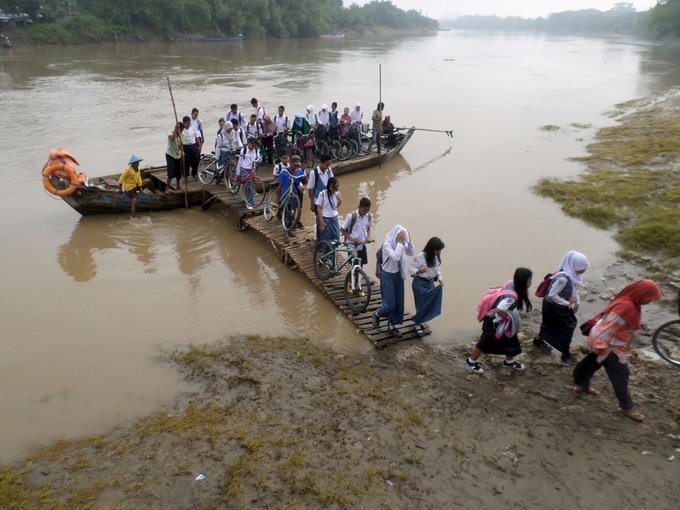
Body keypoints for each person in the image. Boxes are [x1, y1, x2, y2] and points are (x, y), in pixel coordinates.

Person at [573, 279, 661, 421]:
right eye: (650, 299)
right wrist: (600, 346)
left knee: (595, 363)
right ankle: (627, 407)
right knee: (621, 373)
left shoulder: (627, 300)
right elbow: (609, 326)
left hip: (602, 339)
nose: (650, 302)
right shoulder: (627, 306)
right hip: (607, 344)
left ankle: (582, 385)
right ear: (643, 294)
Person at [465, 268, 534, 374]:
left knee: (511, 339)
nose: (531, 283)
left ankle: (509, 361)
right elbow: (499, 310)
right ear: (522, 282)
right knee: (485, 340)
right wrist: (507, 317)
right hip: (493, 321)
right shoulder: (511, 297)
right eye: (529, 281)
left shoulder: (511, 282)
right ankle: (470, 361)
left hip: (501, 322)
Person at [534, 250, 590, 364]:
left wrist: (577, 302)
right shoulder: (563, 278)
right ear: (574, 265)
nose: (584, 269)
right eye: (582, 266)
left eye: (585, 266)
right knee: (568, 327)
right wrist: (567, 303)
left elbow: (575, 289)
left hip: (559, 304)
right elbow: (551, 295)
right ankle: (565, 355)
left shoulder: (573, 275)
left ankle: (538, 340)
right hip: (553, 305)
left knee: (549, 324)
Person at [372, 225, 416, 338]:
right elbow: (396, 257)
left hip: (398, 275)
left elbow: (411, 252)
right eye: (401, 237)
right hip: (387, 276)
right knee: (389, 305)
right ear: (396, 235)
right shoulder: (387, 244)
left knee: (399, 304)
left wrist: (409, 240)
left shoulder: (401, 243)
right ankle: (377, 314)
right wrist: (400, 243)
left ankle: (392, 326)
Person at [408, 237, 445, 337]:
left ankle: (419, 320)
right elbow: (411, 269)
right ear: (432, 248)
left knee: (429, 304)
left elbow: (437, 270)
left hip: (430, 283)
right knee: (421, 306)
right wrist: (419, 271)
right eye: (438, 249)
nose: (439, 252)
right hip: (419, 284)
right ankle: (417, 324)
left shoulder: (436, 257)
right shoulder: (421, 256)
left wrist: (440, 278)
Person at [276, 154, 307, 241]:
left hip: (294, 196)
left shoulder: (300, 171)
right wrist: (278, 198)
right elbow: (280, 185)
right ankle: (285, 233)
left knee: (292, 214)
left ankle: (289, 230)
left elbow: (304, 181)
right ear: (291, 163)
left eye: (298, 165)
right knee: (286, 215)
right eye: (295, 165)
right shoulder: (284, 172)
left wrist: (304, 183)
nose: (296, 167)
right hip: (285, 196)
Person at [340, 196, 373, 270]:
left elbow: (369, 228)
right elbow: (342, 229)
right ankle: (353, 279)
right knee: (354, 265)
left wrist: (369, 237)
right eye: (364, 211)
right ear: (359, 207)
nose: (365, 213)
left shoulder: (369, 216)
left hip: (362, 244)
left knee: (361, 264)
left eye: (367, 211)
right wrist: (351, 239)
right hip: (352, 245)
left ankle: (357, 278)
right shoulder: (351, 216)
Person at [307, 154, 334, 233]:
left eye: (329, 164)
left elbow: (333, 182)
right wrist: (312, 204)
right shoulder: (314, 173)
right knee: (320, 220)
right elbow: (311, 189)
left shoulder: (329, 171)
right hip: (318, 201)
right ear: (321, 163)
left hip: (328, 201)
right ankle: (320, 239)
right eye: (327, 164)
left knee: (328, 219)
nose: (328, 166)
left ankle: (327, 237)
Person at [315, 176, 342, 244]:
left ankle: (334, 252)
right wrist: (321, 221)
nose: (335, 189)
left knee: (336, 237)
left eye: (337, 187)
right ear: (329, 186)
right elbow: (319, 208)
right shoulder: (322, 194)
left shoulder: (337, 193)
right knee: (327, 238)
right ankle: (327, 253)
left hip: (334, 218)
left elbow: (335, 207)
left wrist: (340, 201)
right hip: (326, 218)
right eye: (334, 187)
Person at [165, 122, 184, 192]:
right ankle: (167, 187)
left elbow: (181, 146)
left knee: (178, 172)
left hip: (177, 155)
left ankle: (178, 186)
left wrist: (182, 151)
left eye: (182, 130)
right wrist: (176, 129)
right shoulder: (170, 132)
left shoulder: (182, 136)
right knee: (171, 171)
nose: (181, 132)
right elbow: (172, 139)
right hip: (170, 154)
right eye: (180, 130)